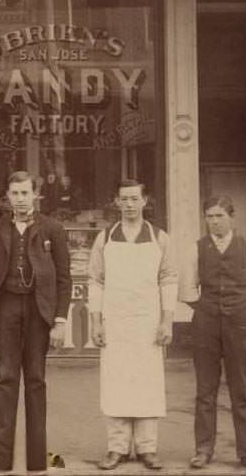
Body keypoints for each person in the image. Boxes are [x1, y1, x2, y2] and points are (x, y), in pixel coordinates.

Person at [0, 170, 71, 476]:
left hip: (39, 310)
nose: (19, 199)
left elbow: (64, 278)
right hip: (6, 308)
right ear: (7, 196)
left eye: (25, 193)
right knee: (5, 380)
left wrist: (59, 320)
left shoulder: (52, 228)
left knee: (36, 382)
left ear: (35, 195)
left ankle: (37, 464)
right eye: (14, 194)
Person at [179, 196, 246, 476]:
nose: (214, 221)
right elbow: (186, 288)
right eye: (209, 216)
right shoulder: (197, 248)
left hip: (240, 324)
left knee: (241, 390)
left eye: (219, 215)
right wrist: (207, 310)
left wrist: (244, 313)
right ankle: (203, 450)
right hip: (206, 324)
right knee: (205, 390)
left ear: (232, 217)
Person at [88, 179, 177, 470]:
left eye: (134, 199)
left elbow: (168, 279)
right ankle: (116, 448)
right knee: (116, 382)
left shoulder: (159, 238)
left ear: (144, 201)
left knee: (147, 382)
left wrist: (166, 320)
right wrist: (96, 321)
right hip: (115, 322)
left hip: (148, 323)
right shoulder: (105, 238)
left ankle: (147, 448)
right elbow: (96, 281)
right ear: (116, 202)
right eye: (124, 199)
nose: (129, 205)